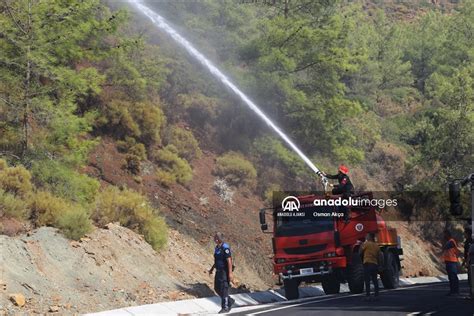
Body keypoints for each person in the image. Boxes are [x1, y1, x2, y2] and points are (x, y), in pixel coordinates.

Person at [209, 232, 235, 313]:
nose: (215, 239)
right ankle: (229, 299)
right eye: (215, 237)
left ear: (220, 239)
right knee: (217, 288)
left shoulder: (225, 247)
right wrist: (212, 269)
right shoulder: (217, 248)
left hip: (224, 271)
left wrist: (230, 273)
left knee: (224, 289)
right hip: (218, 271)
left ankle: (225, 307)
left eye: (217, 237)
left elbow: (229, 260)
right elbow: (217, 260)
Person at [360, 232, 381, 300]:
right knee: (375, 280)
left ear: (370, 237)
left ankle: (368, 295)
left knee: (367, 280)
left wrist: (361, 245)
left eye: (367, 236)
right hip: (374, 264)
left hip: (367, 263)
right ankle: (377, 295)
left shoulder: (367, 244)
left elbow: (360, 251)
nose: (366, 237)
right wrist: (379, 265)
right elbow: (379, 256)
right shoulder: (376, 246)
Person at [442, 230, 461, 296]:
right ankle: (453, 291)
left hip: (452, 261)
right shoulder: (448, 242)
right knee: (451, 277)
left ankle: (455, 291)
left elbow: (445, 247)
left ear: (448, 235)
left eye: (445, 235)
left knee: (453, 277)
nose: (444, 236)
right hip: (449, 261)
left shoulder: (451, 241)